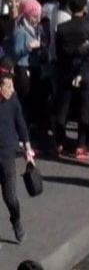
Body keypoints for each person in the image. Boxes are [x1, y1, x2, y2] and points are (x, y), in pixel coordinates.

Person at [0, 71, 33, 244]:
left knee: (10, 197)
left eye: (12, 85)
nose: (12, 89)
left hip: (6, 155)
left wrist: (27, 146)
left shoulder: (12, 100)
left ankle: (16, 220)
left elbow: (20, 121)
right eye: (8, 86)